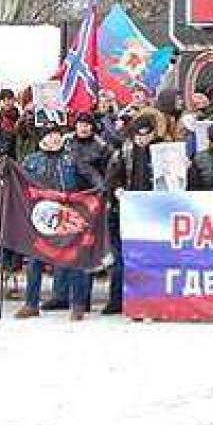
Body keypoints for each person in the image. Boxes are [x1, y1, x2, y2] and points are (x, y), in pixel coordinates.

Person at [15, 124, 99, 321]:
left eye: (57, 135)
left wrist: (99, 190)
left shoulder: (72, 158)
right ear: (42, 140)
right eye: (50, 135)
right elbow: (19, 183)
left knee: (75, 258)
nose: (55, 138)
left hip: (68, 214)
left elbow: (92, 176)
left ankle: (77, 305)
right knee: (35, 259)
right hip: (40, 215)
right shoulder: (31, 160)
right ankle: (31, 303)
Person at [103, 116, 160, 314]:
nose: (142, 139)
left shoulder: (161, 152)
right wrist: (116, 189)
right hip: (125, 212)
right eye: (139, 135)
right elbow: (111, 179)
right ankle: (116, 300)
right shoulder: (122, 153)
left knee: (150, 259)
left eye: (146, 135)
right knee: (121, 259)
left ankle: (150, 300)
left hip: (153, 213)